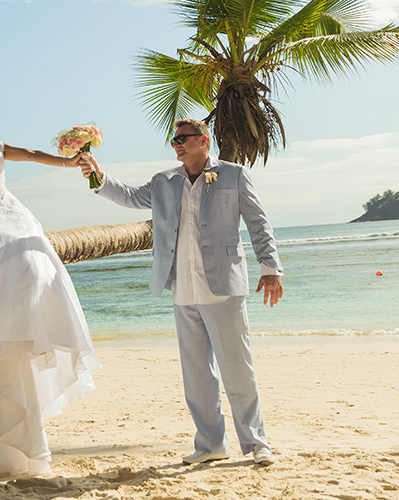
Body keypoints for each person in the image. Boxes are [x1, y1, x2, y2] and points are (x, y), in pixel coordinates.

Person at [79, 118, 284, 467]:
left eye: (183, 138)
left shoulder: (233, 175)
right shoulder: (164, 181)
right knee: (197, 375)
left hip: (223, 286)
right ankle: (210, 444)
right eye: (174, 140)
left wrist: (271, 267)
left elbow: (257, 222)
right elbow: (129, 196)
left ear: (203, 141)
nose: (177, 144)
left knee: (238, 370)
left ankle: (256, 443)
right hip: (182, 288)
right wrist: (96, 175)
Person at [0, 91, 101, 478]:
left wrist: (68, 161)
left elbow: (30, 154)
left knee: (34, 254)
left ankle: (32, 320)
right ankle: (1, 326)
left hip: (11, 207)